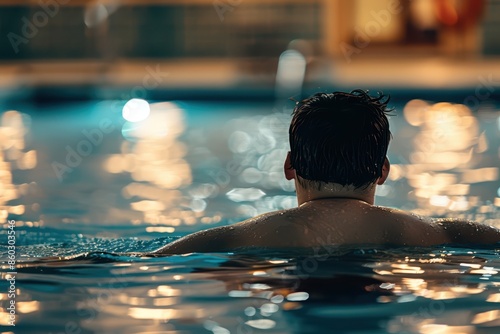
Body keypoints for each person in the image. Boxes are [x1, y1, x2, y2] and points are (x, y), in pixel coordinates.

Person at [153, 90, 500, 254]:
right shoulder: (432, 232)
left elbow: (147, 260)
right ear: (383, 171)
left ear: (290, 166)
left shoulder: (241, 236)